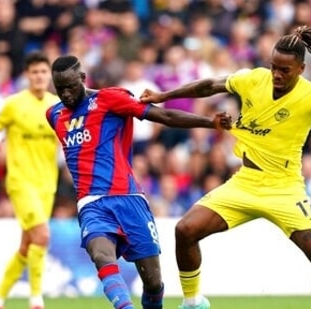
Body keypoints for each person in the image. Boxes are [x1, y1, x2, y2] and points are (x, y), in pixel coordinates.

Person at [140, 26, 311, 309]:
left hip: (285, 188)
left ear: (301, 69)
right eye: (273, 67)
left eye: (285, 70)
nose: (277, 75)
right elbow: (209, 85)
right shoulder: (253, 79)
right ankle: (193, 302)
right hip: (245, 182)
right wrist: (162, 96)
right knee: (185, 230)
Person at [45, 55, 232, 309]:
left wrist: (209, 122)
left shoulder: (109, 99)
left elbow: (163, 116)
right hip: (91, 203)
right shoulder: (54, 114)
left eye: (70, 86)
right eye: (59, 88)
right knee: (101, 255)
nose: (65, 94)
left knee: (153, 283)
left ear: (83, 78)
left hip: (129, 198)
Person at [0, 52, 60, 309]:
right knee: (43, 235)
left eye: (43, 72)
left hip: (47, 184)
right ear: (27, 75)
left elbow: (69, 139)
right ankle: (36, 299)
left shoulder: (56, 106)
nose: (39, 76)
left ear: (49, 75)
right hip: (20, 182)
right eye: (34, 72)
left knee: (28, 244)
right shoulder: (14, 104)